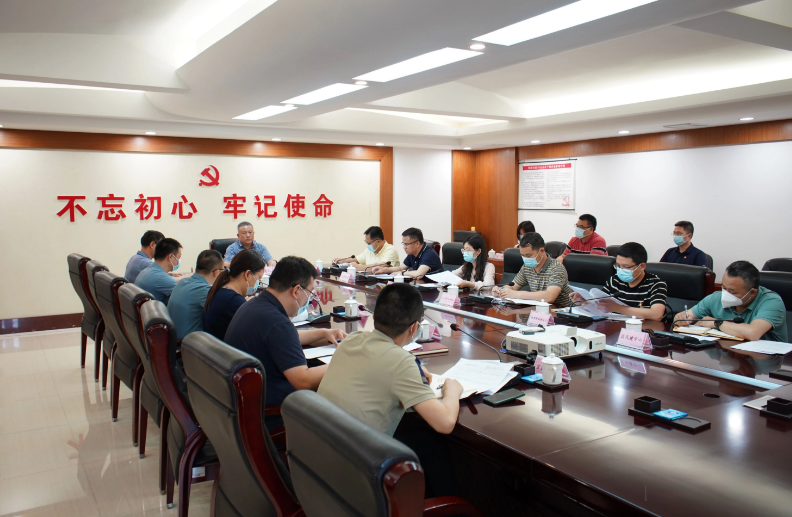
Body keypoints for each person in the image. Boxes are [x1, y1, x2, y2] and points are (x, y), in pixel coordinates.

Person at [318, 282, 463, 496]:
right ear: (414, 328)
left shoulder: (353, 339)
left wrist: (412, 371)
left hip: (324, 456)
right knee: (432, 441)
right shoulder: (401, 362)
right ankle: (449, 506)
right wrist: (452, 390)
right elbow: (445, 423)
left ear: (374, 316)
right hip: (357, 471)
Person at [224, 256, 346, 423]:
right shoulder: (277, 322)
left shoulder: (255, 305)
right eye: (310, 292)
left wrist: (323, 333)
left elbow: (284, 338)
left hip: (245, 406)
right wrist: (345, 362)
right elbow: (303, 380)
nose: (309, 298)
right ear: (296, 291)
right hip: (273, 415)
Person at [673, 261, 788, 342]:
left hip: (768, 362)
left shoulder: (771, 302)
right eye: (723, 287)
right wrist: (682, 319)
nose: (725, 294)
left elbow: (752, 333)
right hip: (730, 353)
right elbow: (684, 317)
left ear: (752, 292)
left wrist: (716, 323)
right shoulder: (716, 298)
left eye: (732, 291)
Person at [494, 232, 574, 306]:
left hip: (561, 312)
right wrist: (500, 290)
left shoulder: (556, 268)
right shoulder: (527, 267)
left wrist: (516, 294)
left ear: (542, 251)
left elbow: (550, 296)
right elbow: (513, 286)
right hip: (538, 311)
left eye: (528, 255)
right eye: (523, 255)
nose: (525, 259)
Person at [203, 250, 264, 341]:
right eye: (259, 277)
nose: (258, 282)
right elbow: (258, 330)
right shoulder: (233, 301)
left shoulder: (220, 290)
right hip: (226, 349)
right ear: (247, 274)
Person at [597, 242, 667, 321]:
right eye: (618, 265)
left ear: (642, 266)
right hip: (617, 325)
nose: (621, 270)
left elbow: (657, 315)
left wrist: (617, 308)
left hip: (646, 327)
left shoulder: (656, 284)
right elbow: (600, 302)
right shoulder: (614, 280)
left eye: (626, 267)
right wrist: (587, 302)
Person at [167, 250, 224, 340]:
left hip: (173, 339)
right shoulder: (204, 290)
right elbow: (224, 312)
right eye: (223, 270)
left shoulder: (182, 282)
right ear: (216, 272)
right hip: (187, 344)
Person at [373, 228, 442, 278]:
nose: (404, 247)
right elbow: (401, 268)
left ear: (417, 244)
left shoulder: (429, 254)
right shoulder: (412, 253)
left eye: (406, 244)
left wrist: (402, 273)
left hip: (434, 290)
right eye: (403, 244)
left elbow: (418, 275)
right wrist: (383, 270)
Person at [134, 237, 182, 304]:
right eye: (178, 257)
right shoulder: (162, 278)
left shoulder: (146, 271)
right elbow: (186, 296)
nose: (179, 261)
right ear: (170, 257)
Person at [332, 225, 400, 269]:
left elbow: (383, 265)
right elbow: (357, 259)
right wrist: (342, 260)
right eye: (366, 243)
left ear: (378, 242)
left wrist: (359, 267)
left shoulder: (390, 250)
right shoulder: (370, 250)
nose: (368, 245)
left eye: (369, 243)